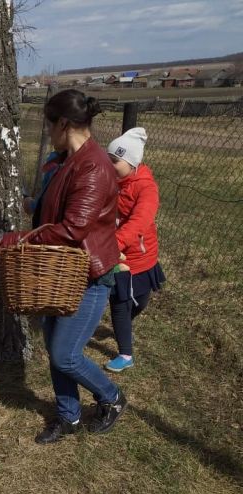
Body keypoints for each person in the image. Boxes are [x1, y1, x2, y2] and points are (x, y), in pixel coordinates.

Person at [0, 89, 127, 444]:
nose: (48, 132)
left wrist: (17, 240)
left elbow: (73, 229)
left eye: (49, 125)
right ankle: (69, 417)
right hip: (63, 274)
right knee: (58, 352)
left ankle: (112, 397)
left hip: (89, 276)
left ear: (64, 124)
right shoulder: (71, 159)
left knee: (64, 354)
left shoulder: (93, 166)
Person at [105, 127, 166, 372]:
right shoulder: (111, 180)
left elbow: (140, 221)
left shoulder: (146, 188)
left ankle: (124, 325)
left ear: (131, 163)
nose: (109, 166)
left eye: (114, 161)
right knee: (120, 304)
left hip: (142, 256)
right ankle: (126, 354)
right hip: (119, 259)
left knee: (140, 301)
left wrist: (117, 241)